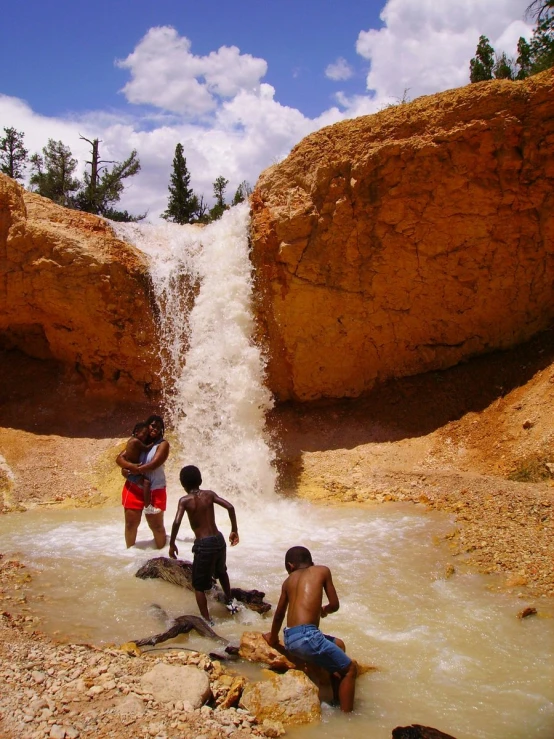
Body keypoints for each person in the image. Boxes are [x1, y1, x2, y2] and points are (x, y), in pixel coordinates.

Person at [263, 545, 357, 713]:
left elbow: (278, 615)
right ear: (312, 563)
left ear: (290, 566)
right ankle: (347, 718)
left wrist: (273, 638)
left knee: (339, 645)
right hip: (308, 636)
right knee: (350, 670)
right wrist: (325, 610)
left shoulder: (288, 581)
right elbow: (335, 605)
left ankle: (334, 700)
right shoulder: (322, 571)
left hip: (290, 637)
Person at [169, 465, 239, 624]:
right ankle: (230, 602)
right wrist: (234, 530)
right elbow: (230, 507)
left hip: (204, 544)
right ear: (200, 480)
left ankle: (207, 620)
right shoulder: (209, 495)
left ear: (182, 484)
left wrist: (172, 543)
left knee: (199, 586)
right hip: (219, 539)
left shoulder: (185, 501)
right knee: (222, 572)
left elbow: (176, 521)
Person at [117, 414, 169, 549]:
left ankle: (163, 557)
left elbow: (154, 464)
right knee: (130, 524)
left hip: (155, 488)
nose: (155, 429)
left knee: (156, 526)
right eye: (153, 425)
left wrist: (135, 470)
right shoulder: (138, 441)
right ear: (147, 426)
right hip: (134, 487)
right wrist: (129, 467)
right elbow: (119, 458)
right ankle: (129, 554)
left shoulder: (163, 444)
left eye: (159, 427)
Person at [122, 422, 156, 513]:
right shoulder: (136, 441)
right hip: (130, 470)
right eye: (144, 434)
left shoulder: (131, 440)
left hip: (128, 469)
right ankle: (147, 506)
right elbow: (146, 448)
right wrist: (154, 443)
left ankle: (146, 505)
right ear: (136, 432)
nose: (145, 437)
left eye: (146, 435)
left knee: (145, 483)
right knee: (146, 483)